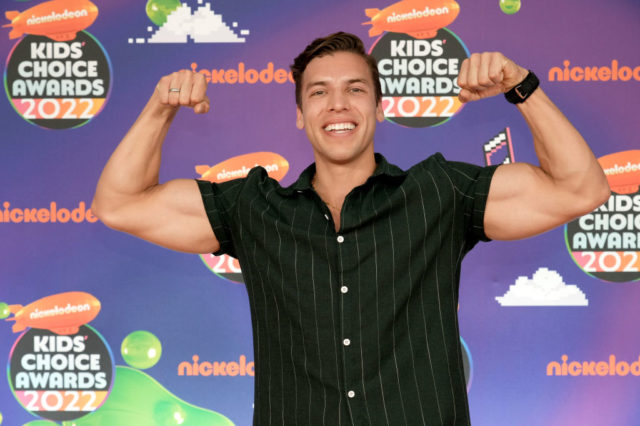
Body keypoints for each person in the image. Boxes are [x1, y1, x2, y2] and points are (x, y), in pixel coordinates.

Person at [92, 32, 609, 425]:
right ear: (300, 114)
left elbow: (579, 189)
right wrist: (160, 109)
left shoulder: (439, 193)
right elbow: (119, 204)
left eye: (354, 89)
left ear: (379, 109)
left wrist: (522, 89)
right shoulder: (253, 206)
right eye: (319, 92)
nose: (337, 104)